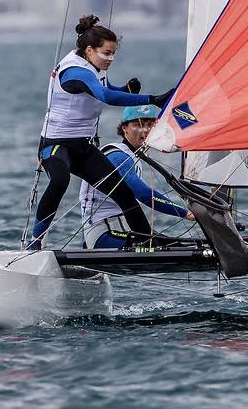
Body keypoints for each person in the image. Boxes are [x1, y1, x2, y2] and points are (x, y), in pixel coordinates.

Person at [29, 15, 176, 250]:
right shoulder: (75, 72)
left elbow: (105, 89)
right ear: (89, 50)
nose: (111, 59)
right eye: (106, 53)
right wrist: (152, 99)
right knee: (60, 180)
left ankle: (147, 242)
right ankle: (34, 244)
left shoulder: (93, 66)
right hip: (56, 146)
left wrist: (124, 90)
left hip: (82, 147)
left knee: (123, 193)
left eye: (114, 53)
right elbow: (105, 96)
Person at [79, 104, 194, 249]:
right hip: (102, 235)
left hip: (125, 230)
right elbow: (144, 194)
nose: (145, 130)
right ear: (124, 129)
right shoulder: (118, 155)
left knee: (178, 246)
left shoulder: (133, 156)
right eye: (137, 125)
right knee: (162, 247)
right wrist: (185, 213)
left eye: (150, 124)